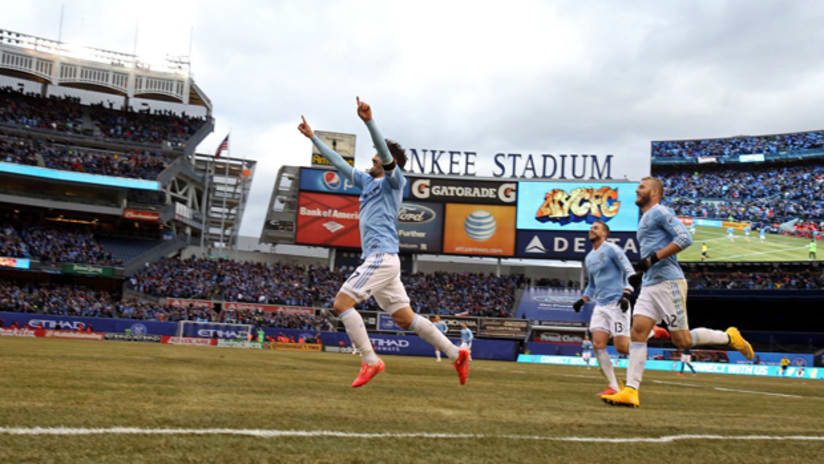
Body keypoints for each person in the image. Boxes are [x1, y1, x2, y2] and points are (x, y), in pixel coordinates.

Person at [297, 98, 469, 387]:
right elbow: (339, 163)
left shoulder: (394, 182)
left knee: (341, 304)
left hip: (381, 257)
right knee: (405, 318)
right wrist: (314, 138)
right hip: (384, 261)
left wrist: (368, 122)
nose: (374, 158)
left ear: (391, 163)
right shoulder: (367, 183)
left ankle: (370, 361)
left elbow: (387, 158)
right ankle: (456, 354)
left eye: (378, 156)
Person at [602, 177, 754, 408]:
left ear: (654, 192)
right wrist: (641, 273)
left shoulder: (660, 211)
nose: (637, 190)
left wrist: (652, 259)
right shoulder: (645, 218)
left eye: (641, 187)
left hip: (669, 283)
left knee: (682, 340)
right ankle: (631, 391)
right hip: (651, 284)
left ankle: (730, 337)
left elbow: (685, 238)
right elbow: (652, 255)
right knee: (638, 333)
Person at [572, 220, 634, 396]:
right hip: (600, 305)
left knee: (622, 347)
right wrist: (583, 299)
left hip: (617, 302)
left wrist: (627, 293)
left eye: (596, 228)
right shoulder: (589, 258)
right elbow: (592, 285)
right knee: (598, 343)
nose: (592, 230)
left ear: (605, 233)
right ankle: (613, 386)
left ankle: (642, 343)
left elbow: (630, 272)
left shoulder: (612, 249)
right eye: (591, 228)